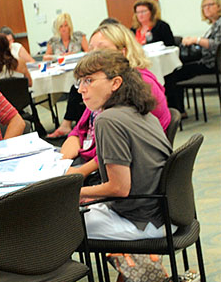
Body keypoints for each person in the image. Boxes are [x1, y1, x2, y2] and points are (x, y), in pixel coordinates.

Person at [34, 50, 172, 282]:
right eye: (79, 83)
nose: (82, 90)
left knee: (47, 226)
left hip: (139, 220)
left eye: (88, 81)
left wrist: (69, 193)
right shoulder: (140, 112)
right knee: (66, 212)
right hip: (158, 212)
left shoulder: (108, 121)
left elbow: (120, 188)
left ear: (116, 83)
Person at [61, 23, 172, 182]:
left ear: (122, 52)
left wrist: (80, 171)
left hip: (122, 169)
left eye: (101, 48)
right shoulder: (103, 86)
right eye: (90, 48)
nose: (93, 54)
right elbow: (81, 129)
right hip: (92, 156)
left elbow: (127, 147)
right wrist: (62, 161)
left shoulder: (137, 86)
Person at [164, 0, 221, 115]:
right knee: (176, 69)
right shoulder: (214, 25)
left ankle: (178, 111)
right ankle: (177, 109)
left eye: (210, 5)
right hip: (206, 61)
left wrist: (197, 40)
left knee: (173, 74)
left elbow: (217, 45)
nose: (206, 8)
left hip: (212, 64)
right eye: (204, 6)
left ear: (219, 6)